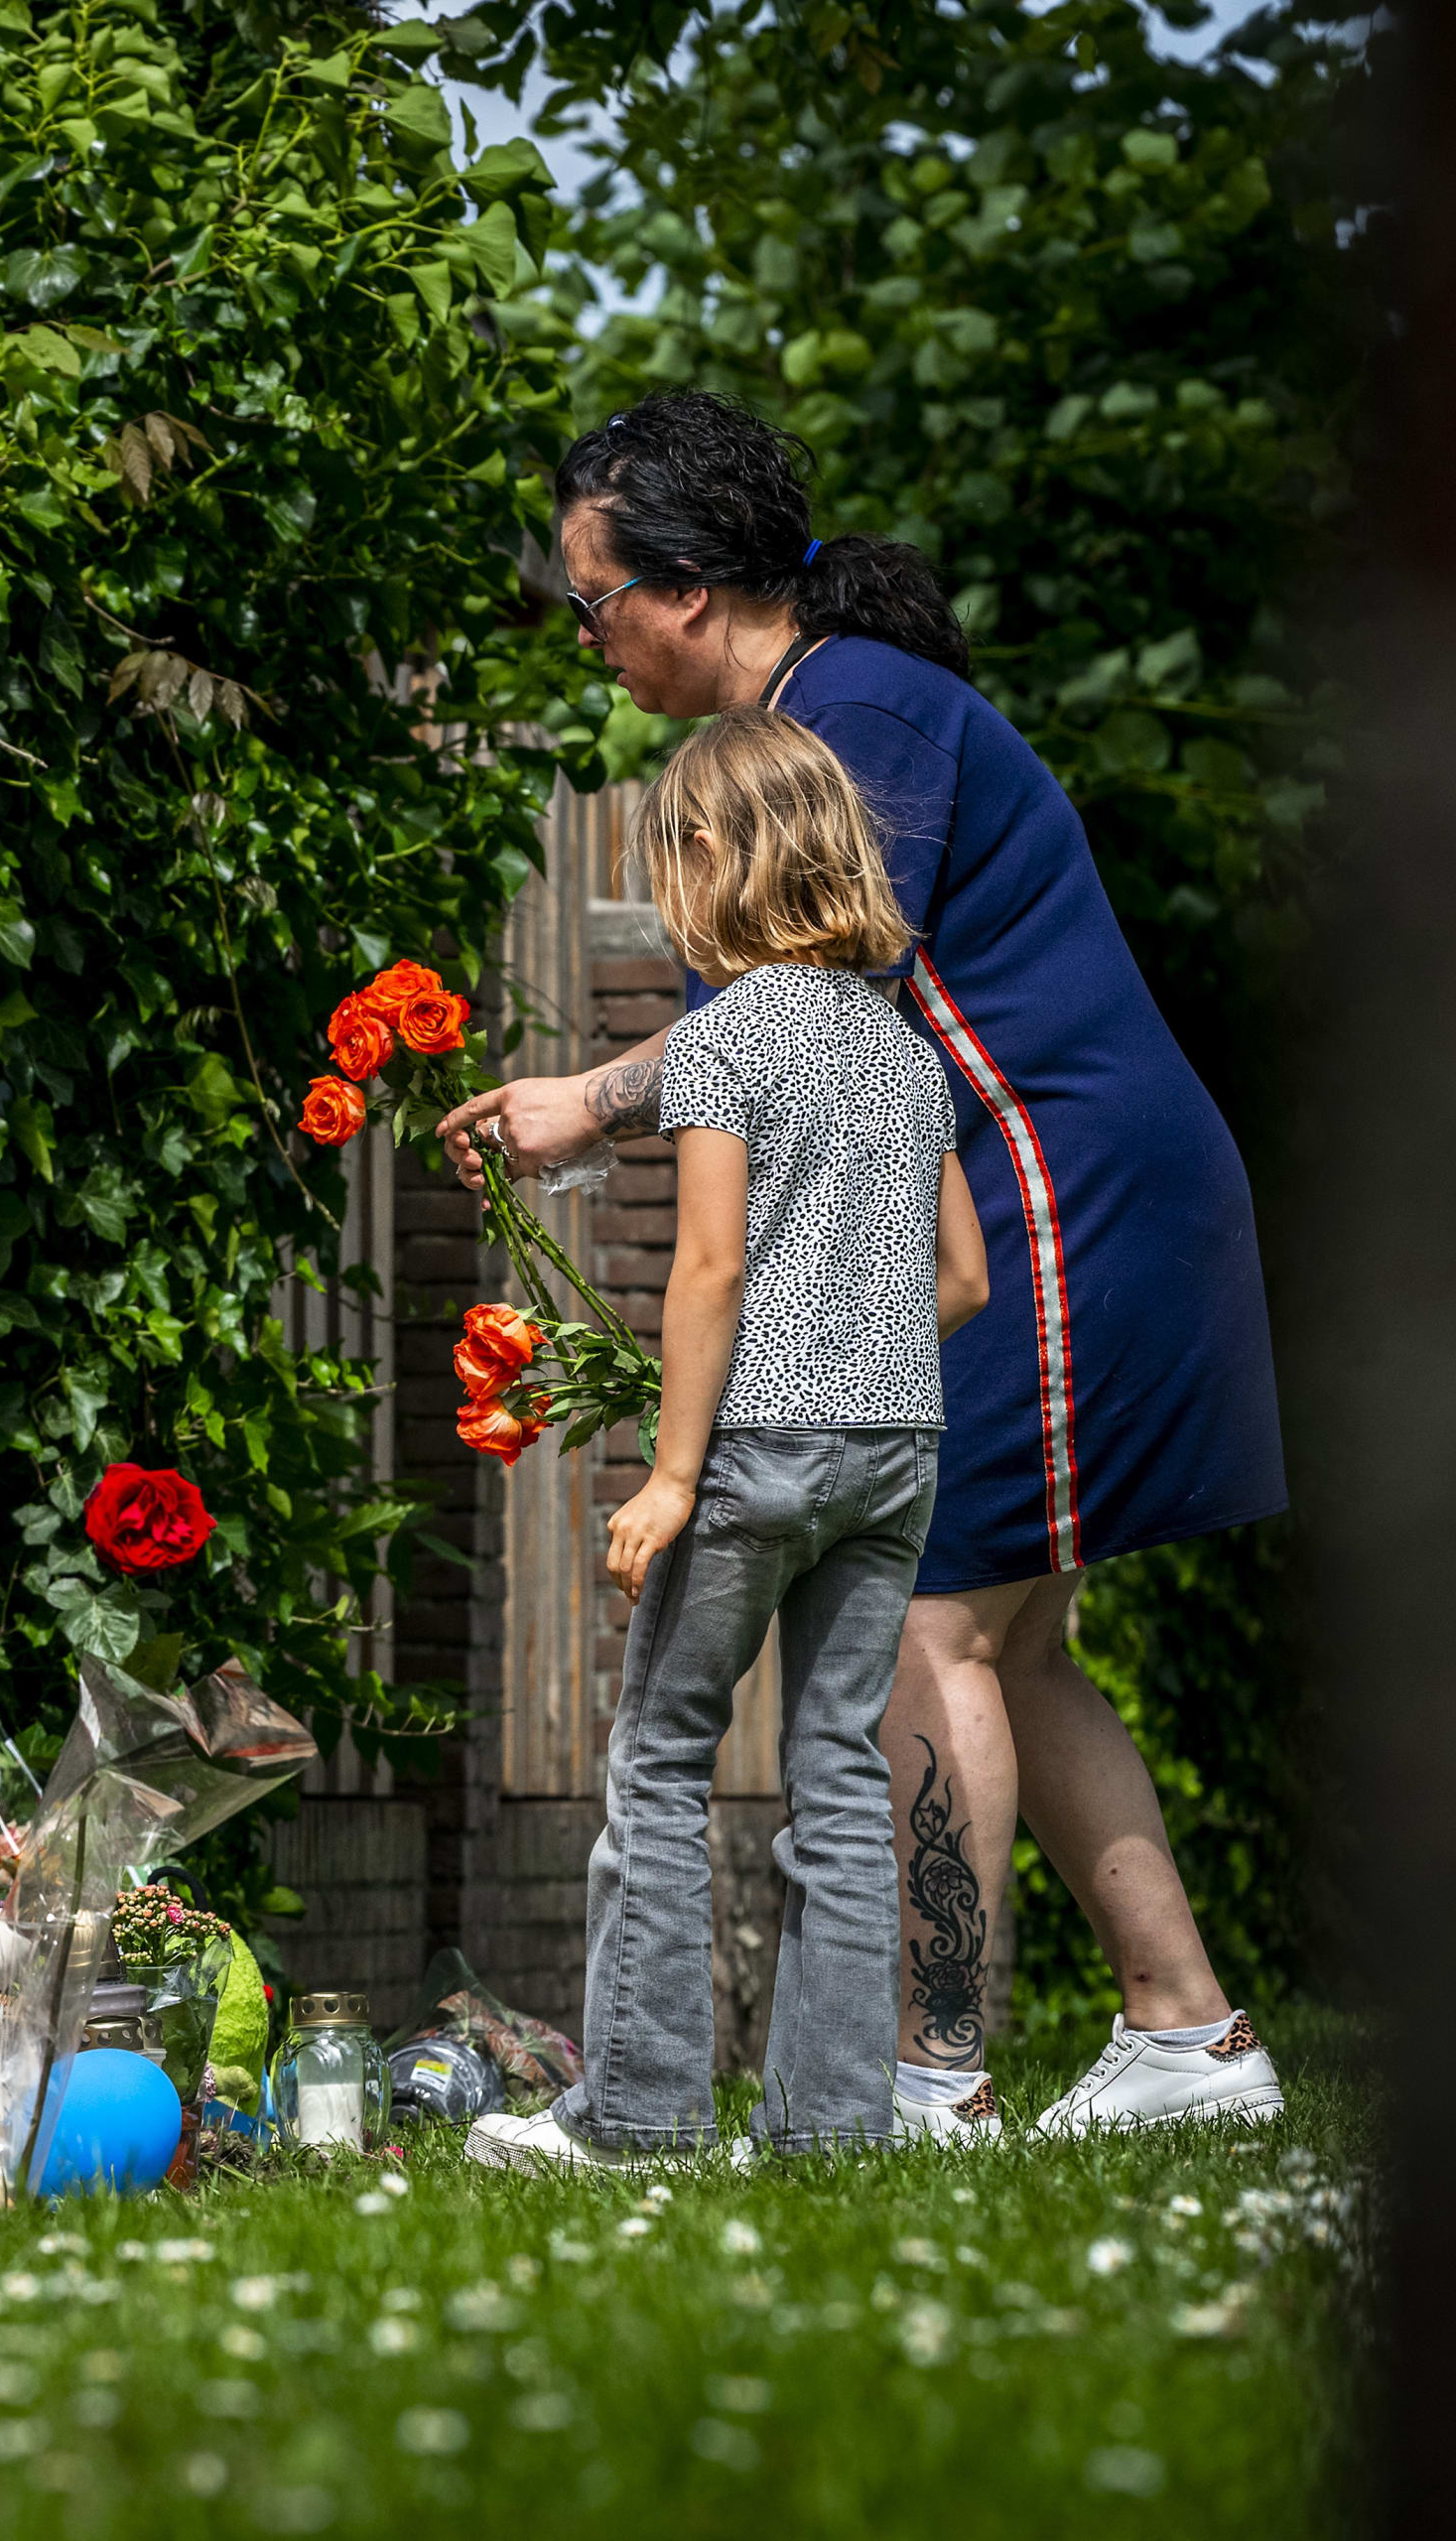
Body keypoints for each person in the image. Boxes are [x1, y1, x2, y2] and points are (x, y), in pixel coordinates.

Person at [441, 392, 1287, 2141]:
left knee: (932, 1630)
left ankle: (926, 2079)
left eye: (591, 603)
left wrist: (588, 1107)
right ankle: (1185, 2034)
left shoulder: (856, 710)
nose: (585, 639)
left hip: (1058, 1191)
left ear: (683, 589)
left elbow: (810, 1005)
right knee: (1010, 1641)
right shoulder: (837, 705)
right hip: (1072, 1187)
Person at [468, 708, 988, 2169]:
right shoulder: (902, 1048)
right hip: (898, 1448)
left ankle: (639, 2117)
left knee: (662, 1761)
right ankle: (829, 2130)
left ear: (711, 854)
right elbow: (965, 1278)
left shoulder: (724, 1040)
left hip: (756, 1448)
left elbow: (707, 1269)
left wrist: (678, 1473)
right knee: (835, 1768)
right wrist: (861, 1366)